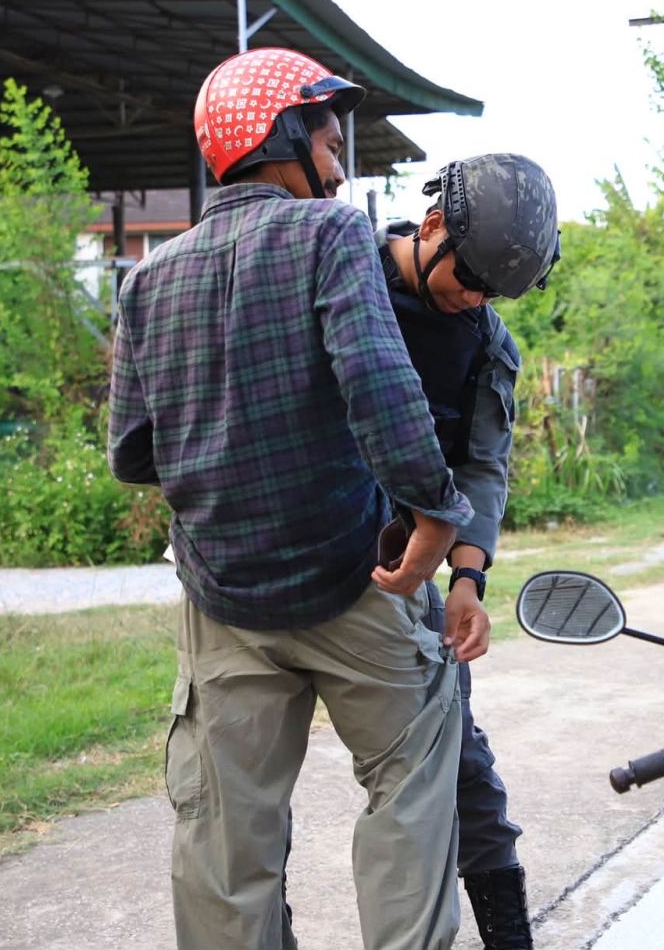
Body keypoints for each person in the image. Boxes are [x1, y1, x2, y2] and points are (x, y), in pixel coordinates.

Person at [108, 46, 485, 950]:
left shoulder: (146, 280)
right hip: (355, 578)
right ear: (281, 136)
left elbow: (132, 454)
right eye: (328, 139)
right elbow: (379, 384)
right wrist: (436, 510)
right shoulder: (331, 234)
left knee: (223, 840)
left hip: (222, 599)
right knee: (411, 780)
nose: (339, 166)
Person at [378, 154, 558, 949]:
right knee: (255, 794)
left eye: (495, 291)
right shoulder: (343, 282)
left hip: (413, 572)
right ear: (432, 226)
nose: (476, 298)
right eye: (471, 278)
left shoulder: (485, 340)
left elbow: (482, 465)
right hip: (311, 554)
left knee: (463, 766)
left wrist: (468, 580)